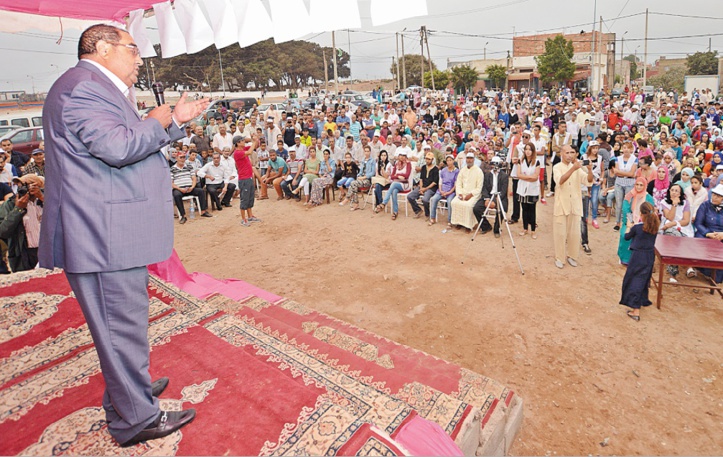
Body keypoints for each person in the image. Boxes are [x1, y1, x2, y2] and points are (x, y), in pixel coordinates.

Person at [38, 24, 208, 447]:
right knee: (120, 326)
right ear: (102, 48)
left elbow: (126, 144)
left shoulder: (96, 87)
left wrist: (173, 124)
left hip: (111, 230)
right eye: (133, 49)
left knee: (123, 325)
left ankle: (127, 394)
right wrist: (155, 119)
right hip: (102, 234)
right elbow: (117, 148)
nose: (139, 58)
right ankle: (135, 420)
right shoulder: (83, 88)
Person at [552, 145, 593, 268]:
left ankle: (572, 256)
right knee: (560, 233)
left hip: (575, 204)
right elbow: (560, 180)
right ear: (561, 154)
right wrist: (573, 169)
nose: (570, 155)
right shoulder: (557, 167)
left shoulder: (578, 168)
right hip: (561, 204)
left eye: (572, 152)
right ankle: (559, 257)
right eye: (567, 152)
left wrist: (590, 170)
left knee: (575, 233)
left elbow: (588, 180)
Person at [619, 202, 660, 321]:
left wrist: (628, 226)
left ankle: (635, 310)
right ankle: (643, 300)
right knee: (643, 279)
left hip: (638, 256)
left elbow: (626, 237)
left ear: (641, 214)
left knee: (633, 280)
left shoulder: (637, 228)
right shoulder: (655, 226)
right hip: (649, 256)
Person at [0, 174, 44, 271]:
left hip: (47, 250)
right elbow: (3, 232)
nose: (23, 189)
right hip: (23, 253)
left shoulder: (48, 199)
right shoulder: (10, 204)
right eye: (20, 186)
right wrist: (18, 209)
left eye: (27, 185)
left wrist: (42, 198)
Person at [659, 183, 694, 282]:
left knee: (686, 240)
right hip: (667, 228)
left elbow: (686, 220)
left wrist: (674, 223)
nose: (674, 193)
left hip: (682, 227)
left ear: (680, 194)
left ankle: (689, 267)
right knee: (675, 239)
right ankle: (673, 273)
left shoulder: (685, 203)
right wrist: (674, 204)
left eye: (676, 191)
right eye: (672, 190)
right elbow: (669, 217)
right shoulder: (664, 202)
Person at [617, 177, 655, 265]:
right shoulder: (629, 196)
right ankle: (624, 258)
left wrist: (640, 222)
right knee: (624, 235)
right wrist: (631, 222)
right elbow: (626, 210)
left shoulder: (649, 198)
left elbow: (650, 212)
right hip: (630, 222)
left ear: (645, 186)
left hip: (643, 222)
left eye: (641, 185)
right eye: (637, 184)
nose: (638, 187)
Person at [171, 152, 212, 223]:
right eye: (181, 157)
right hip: (179, 188)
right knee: (176, 195)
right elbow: (171, 183)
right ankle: (183, 216)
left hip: (190, 187)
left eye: (184, 157)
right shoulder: (172, 169)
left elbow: (194, 178)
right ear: (177, 158)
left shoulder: (189, 166)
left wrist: (192, 187)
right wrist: (180, 189)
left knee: (201, 191)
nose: (183, 159)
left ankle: (203, 211)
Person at [694, 184, 723, 282]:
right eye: (714, 194)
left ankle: (717, 276)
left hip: (721, 235)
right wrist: (708, 233)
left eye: (718, 196)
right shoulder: (705, 205)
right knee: (701, 242)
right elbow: (698, 223)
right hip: (706, 233)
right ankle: (704, 271)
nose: (714, 197)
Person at [450, 152, 484, 230]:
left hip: (474, 194)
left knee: (468, 205)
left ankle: (468, 225)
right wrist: (460, 194)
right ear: (466, 160)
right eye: (468, 158)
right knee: (454, 202)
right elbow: (458, 183)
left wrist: (470, 195)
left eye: (471, 158)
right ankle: (459, 223)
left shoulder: (478, 171)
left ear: (474, 159)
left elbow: (479, 187)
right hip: (462, 193)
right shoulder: (462, 170)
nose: (469, 160)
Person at [233, 135, 262, 227]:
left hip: (248, 177)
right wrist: (253, 141)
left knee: (250, 198)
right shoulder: (237, 153)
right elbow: (250, 151)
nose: (244, 141)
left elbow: (255, 146)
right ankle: (243, 219)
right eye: (242, 140)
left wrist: (255, 140)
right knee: (244, 199)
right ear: (238, 143)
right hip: (244, 179)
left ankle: (250, 216)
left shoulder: (241, 150)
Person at [376, 150, 412, 220]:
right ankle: (395, 211)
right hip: (396, 183)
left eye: (403, 155)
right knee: (394, 191)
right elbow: (392, 176)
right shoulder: (396, 164)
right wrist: (398, 176)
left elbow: (406, 175)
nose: (402, 157)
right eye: (400, 155)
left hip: (405, 184)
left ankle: (384, 203)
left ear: (406, 157)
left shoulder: (408, 164)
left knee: (393, 184)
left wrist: (397, 175)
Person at [516, 142, 540, 239]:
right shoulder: (520, 161)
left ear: (533, 151)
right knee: (524, 209)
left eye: (530, 149)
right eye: (526, 149)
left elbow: (535, 177)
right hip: (522, 188)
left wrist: (525, 177)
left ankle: (533, 230)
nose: (528, 151)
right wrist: (529, 177)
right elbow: (518, 175)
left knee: (532, 209)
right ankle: (525, 228)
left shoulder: (537, 161)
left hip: (532, 189)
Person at [408, 151, 439, 220]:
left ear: (432, 160)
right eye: (426, 159)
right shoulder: (424, 167)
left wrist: (425, 189)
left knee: (425, 200)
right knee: (410, 196)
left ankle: (427, 214)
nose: (427, 160)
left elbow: (434, 182)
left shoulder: (436, 169)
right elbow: (421, 179)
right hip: (422, 186)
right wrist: (421, 188)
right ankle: (418, 210)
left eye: (429, 159)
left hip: (431, 188)